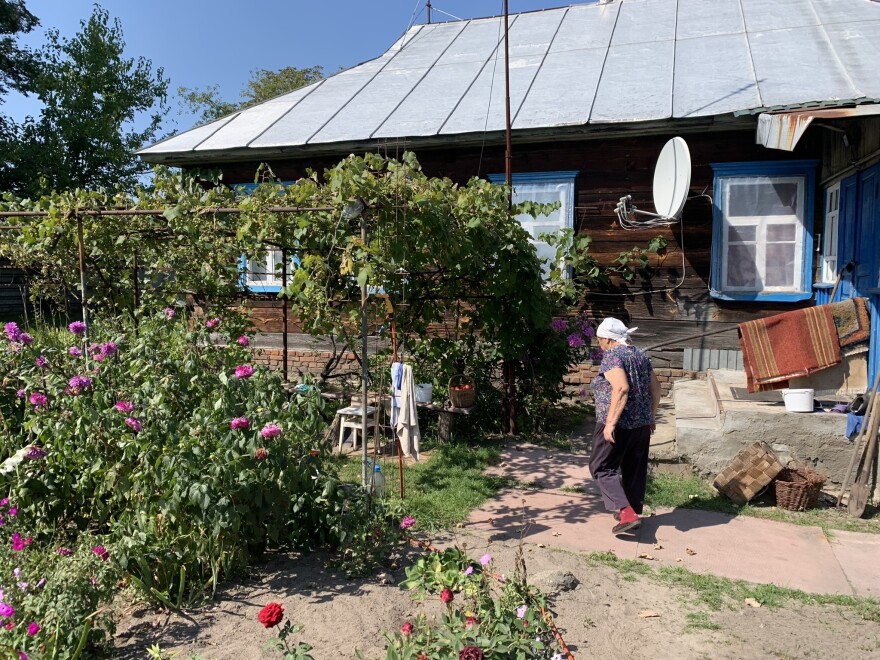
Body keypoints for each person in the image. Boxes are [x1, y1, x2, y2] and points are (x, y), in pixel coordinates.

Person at [588, 317, 661, 535]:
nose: (599, 345)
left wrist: (610, 424)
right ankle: (631, 512)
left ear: (607, 339)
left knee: (601, 467)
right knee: (634, 469)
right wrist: (651, 416)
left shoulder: (612, 356)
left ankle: (626, 513)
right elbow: (656, 389)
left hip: (619, 424)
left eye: (599, 340)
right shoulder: (640, 355)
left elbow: (621, 389)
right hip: (641, 425)